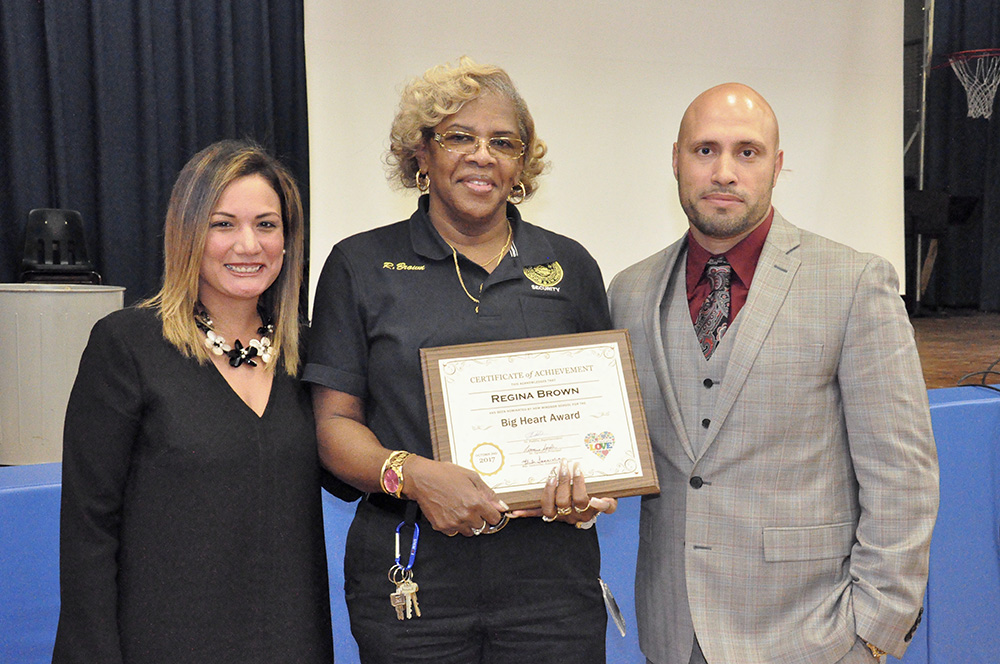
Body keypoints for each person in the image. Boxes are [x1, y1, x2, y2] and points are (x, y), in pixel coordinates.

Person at [607, 83, 939, 664]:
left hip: (815, 636)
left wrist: (875, 634)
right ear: (676, 161)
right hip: (672, 631)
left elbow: (902, 475)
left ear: (777, 166)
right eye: (705, 150)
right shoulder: (630, 290)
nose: (725, 172)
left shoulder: (855, 282)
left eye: (748, 152)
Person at [305, 57, 616, 664]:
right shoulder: (359, 265)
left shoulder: (570, 266)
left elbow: (602, 422)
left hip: (550, 581)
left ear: (522, 163)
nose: (482, 155)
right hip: (412, 574)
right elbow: (333, 427)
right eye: (458, 137)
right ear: (420, 153)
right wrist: (413, 475)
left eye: (503, 141)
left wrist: (595, 485)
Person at [53, 140, 335, 663]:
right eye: (222, 224)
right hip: (164, 641)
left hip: (290, 639)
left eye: (266, 225)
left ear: (288, 239)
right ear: (187, 233)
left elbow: (348, 473)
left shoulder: (310, 352)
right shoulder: (127, 344)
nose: (248, 245)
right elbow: (89, 526)